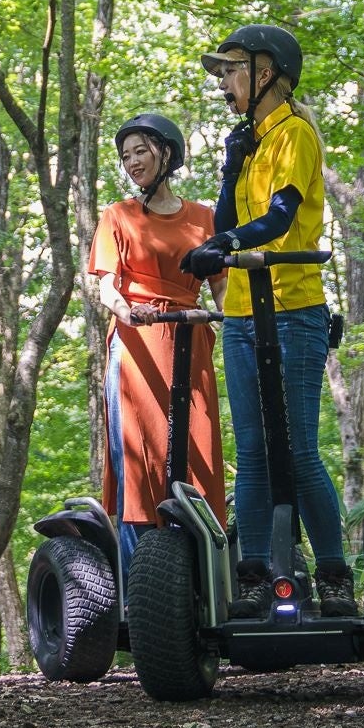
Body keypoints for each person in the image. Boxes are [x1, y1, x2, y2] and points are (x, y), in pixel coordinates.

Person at [181, 24, 358, 617]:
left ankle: (334, 573)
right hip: (240, 313)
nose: (225, 82)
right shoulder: (252, 139)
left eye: (232, 69)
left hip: (293, 309)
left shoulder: (296, 134)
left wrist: (225, 241)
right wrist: (231, 170)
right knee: (253, 452)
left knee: (298, 449)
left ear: (266, 73)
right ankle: (253, 574)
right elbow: (226, 220)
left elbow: (280, 218)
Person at [88, 113, 228, 586]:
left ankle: (204, 579)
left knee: (198, 454)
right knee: (139, 463)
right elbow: (106, 287)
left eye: (140, 152)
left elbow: (222, 287)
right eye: (125, 156)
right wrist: (127, 311)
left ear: (167, 153)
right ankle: (140, 586)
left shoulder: (204, 218)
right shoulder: (117, 216)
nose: (131, 163)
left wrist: (236, 327)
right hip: (137, 344)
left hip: (190, 339)